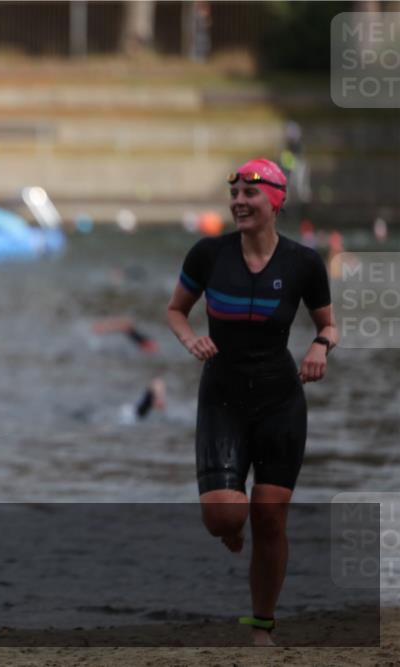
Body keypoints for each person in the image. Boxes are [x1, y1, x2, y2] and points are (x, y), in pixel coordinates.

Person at [166, 158, 336, 646]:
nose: (239, 201)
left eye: (250, 193)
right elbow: (176, 310)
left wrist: (320, 346)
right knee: (224, 516)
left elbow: (328, 324)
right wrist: (189, 339)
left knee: (269, 517)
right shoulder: (208, 254)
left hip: (281, 398)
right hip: (222, 395)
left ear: (275, 201)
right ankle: (230, 526)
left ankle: (262, 624)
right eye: (234, 192)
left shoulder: (303, 263)